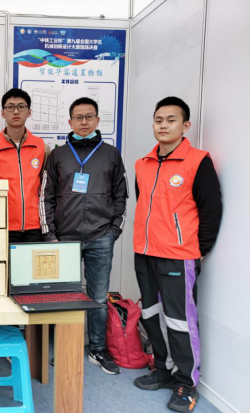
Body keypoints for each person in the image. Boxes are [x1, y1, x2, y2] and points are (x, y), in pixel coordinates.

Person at [133, 97, 222, 413]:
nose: (163, 125)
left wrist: (199, 249)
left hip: (178, 256)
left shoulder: (198, 161)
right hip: (144, 251)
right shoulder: (142, 163)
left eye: (171, 120)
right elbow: (144, 202)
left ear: (185, 126)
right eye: (158, 120)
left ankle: (186, 382)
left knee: (181, 320)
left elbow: (211, 209)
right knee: (151, 314)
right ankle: (162, 368)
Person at [41, 97, 128, 375]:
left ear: (97, 120)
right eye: (78, 117)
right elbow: (46, 196)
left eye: (89, 116)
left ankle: (97, 349)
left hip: (101, 236)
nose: (84, 122)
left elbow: (121, 195)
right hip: (65, 237)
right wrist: (50, 234)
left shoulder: (111, 154)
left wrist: (114, 230)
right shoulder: (58, 155)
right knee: (64, 297)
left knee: (98, 298)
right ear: (70, 122)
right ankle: (65, 346)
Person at [0, 88, 50, 243]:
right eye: (10, 107)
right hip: (2, 226)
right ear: (2, 113)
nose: (16, 111)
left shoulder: (42, 148)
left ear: (29, 112)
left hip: (35, 227)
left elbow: (47, 190)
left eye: (21, 107)